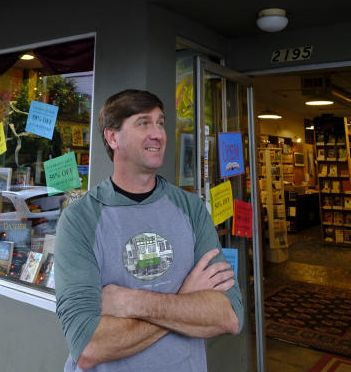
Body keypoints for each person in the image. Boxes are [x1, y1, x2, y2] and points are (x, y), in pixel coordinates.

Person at [54, 89, 243, 371]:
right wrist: (185, 300)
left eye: (160, 122)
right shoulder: (79, 220)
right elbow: (88, 347)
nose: (158, 133)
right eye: (144, 122)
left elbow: (228, 315)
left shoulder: (192, 209)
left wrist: (133, 302)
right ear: (112, 137)